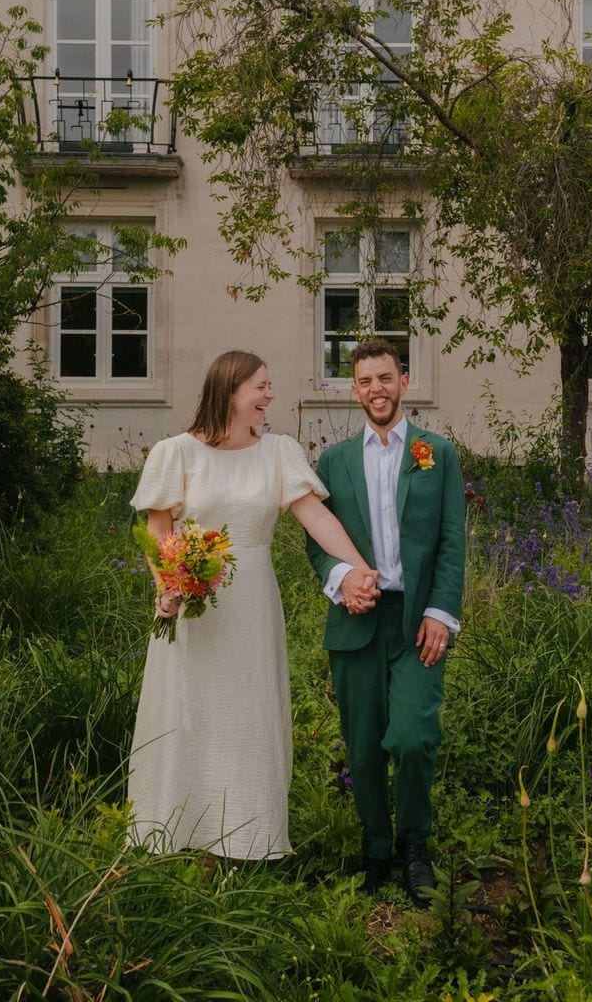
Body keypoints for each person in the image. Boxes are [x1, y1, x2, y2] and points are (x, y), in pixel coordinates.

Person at [127, 350, 377, 859]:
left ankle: (246, 837)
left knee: (248, 715)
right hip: (196, 606)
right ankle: (171, 832)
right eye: (261, 387)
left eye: (268, 387)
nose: (270, 396)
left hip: (253, 606)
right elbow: (158, 530)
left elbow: (317, 519)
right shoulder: (175, 453)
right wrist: (169, 586)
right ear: (230, 390)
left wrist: (358, 568)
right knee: (188, 711)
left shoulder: (278, 452)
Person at [307, 338, 465, 906]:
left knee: (413, 737)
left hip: (416, 621)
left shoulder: (436, 453)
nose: (377, 388)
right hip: (356, 620)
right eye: (365, 380)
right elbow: (316, 543)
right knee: (364, 746)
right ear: (355, 389)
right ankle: (377, 848)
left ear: (403, 381)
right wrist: (340, 581)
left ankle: (415, 845)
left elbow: (451, 540)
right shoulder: (332, 461)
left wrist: (441, 613)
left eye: (386, 377)